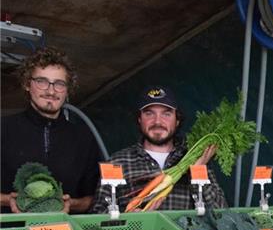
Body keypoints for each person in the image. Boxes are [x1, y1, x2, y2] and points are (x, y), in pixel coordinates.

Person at [90, 86, 227, 213]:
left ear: (177, 120)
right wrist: (127, 219)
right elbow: (96, 215)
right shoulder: (117, 162)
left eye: (166, 114)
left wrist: (196, 172)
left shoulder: (198, 159)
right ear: (139, 119)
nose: (157, 121)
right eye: (149, 114)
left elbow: (221, 214)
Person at [1, 47, 102, 213]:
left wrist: (71, 204)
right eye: (41, 81)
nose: (50, 91)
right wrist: (8, 200)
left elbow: (93, 197)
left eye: (59, 84)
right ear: (27, 84)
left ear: (67, 90)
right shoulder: (4, 129)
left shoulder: (83, 137)